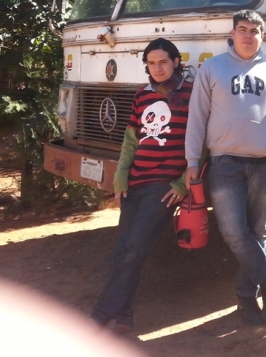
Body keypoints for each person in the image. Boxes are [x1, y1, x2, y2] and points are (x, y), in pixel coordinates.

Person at [185, 10, 266, 325]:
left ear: (262, 35)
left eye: (254, 30)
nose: (248, 35)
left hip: (263, 161)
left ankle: (247, 298)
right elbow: (197, 117)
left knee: (258, 230)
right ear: (232, 33)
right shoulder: (213, 67)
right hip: (224, 162)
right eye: (242, 29)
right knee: (233, 231)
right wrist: (193, 160)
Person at [91, 38, 193, 334]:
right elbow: (130, 141)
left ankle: (101, 313)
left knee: (134, 248)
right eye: (151, 63)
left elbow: (203, 142)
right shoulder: (142, 95)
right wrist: (121, 178)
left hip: (163, 186)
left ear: (176, 61)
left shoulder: (192, 93)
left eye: (163, 62)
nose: (157, 68)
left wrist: (183, 182)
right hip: (135, 182)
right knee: (125, 248)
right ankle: (124, 315)